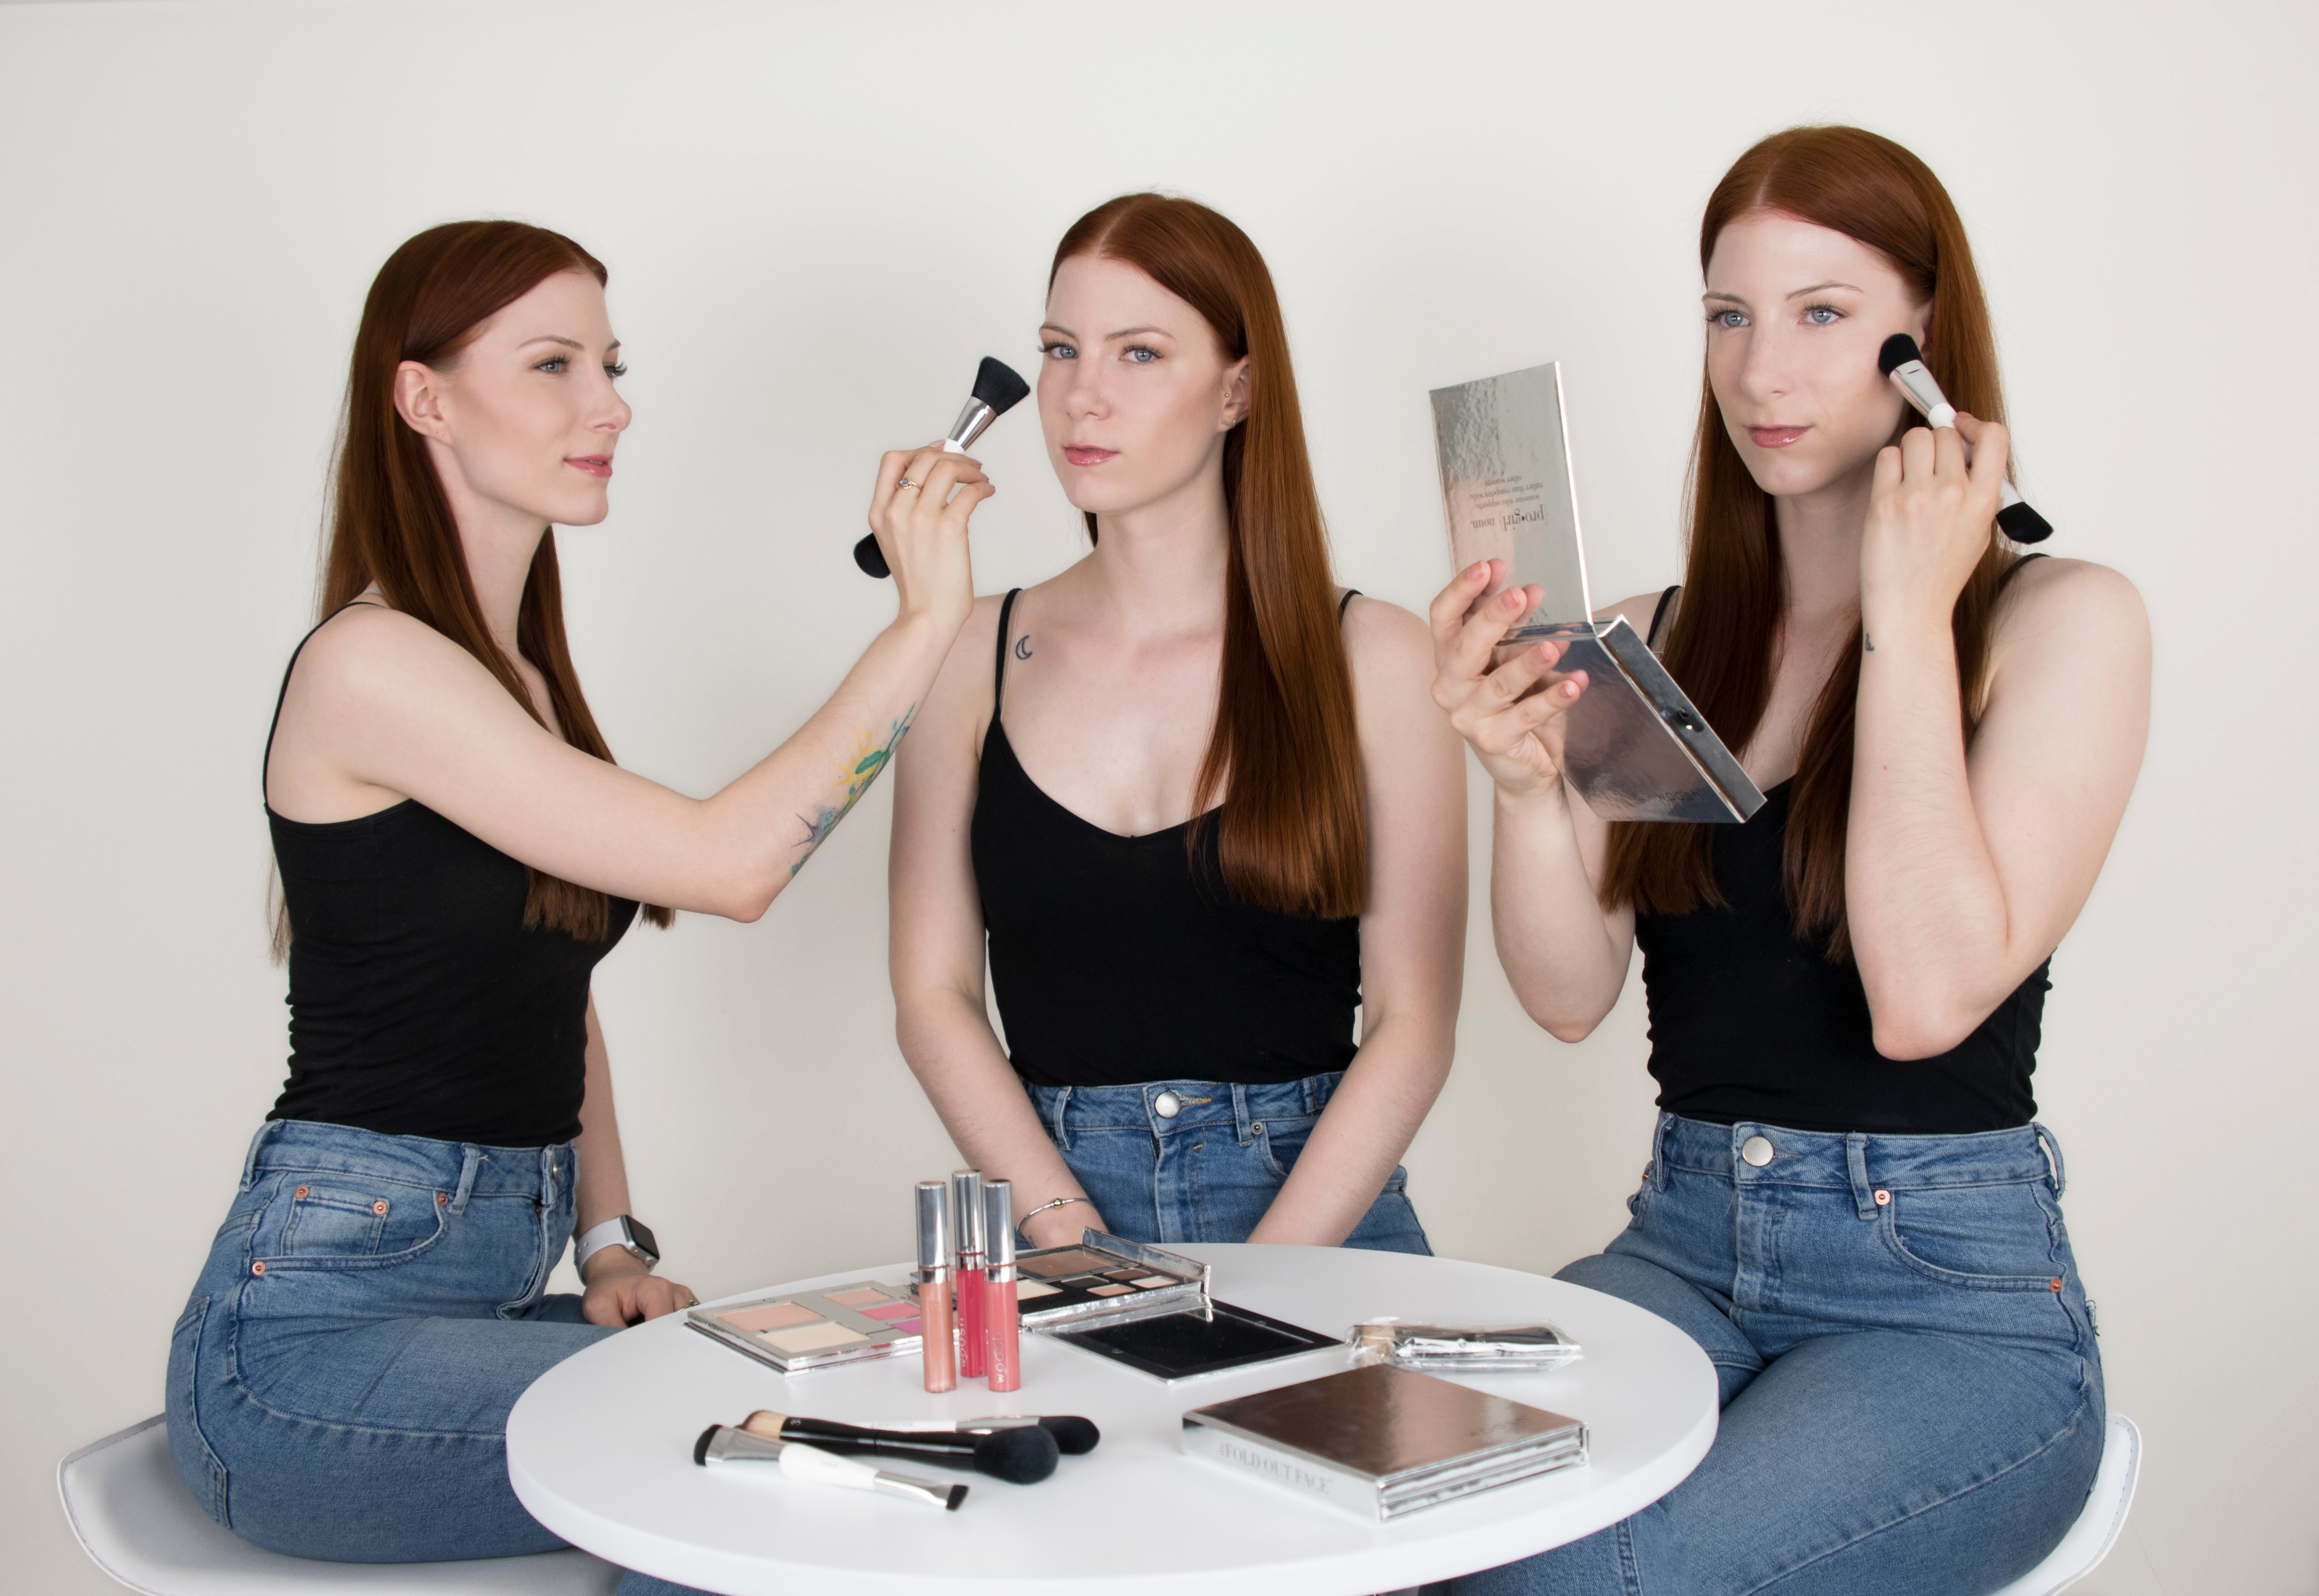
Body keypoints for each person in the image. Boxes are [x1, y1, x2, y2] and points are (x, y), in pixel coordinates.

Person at [165, 220, 988, 1590]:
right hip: (302, 1358)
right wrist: (923, 624)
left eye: (609, 364)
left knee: (831, 1387)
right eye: (553, 365)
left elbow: (555, 978)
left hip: (485, 1287)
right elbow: (733, 867)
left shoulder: (518, 685)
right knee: (744, 1467)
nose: (610, 405)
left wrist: (608, 1237)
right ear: (424, 398)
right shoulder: (374, 665)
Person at [1427, 127, 2149, 1594]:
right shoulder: (1657, 631)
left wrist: (1904, 612)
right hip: (1684, 1247)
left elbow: (1926, 1000)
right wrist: (1519, 787)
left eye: (1824, 314)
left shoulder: (2063, 625)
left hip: (1942, 1306)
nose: (1762, 373)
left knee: (1570, 1581)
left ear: (1922, 344)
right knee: (1400, 1502)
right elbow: (1568, 998)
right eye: (1729, 315)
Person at [889, 194, 1466, 1256]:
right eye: (1059, 350)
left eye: (1139, 354)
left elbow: (1410, 1024)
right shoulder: (963, 652)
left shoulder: (1374, 657)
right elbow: (931, 995)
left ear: (1235, 391)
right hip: (1049, 1215)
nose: (1079, 398)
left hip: (1319, 1218)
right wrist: (1064, 1229)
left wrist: (1266, 1281)